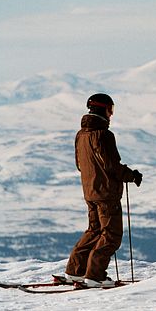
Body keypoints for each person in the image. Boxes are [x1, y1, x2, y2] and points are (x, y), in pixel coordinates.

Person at [64, 93, 142, 287]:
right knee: (111, 236)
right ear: (103, 110)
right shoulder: (104, 135)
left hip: (90, 192)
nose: (111, 115)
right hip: (106, 194)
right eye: (110, 109)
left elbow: (80, 165)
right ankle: (95, 275)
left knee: (94, 230)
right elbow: (111, 166)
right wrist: (131, 175)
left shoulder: (81, 135)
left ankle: (76, 271)